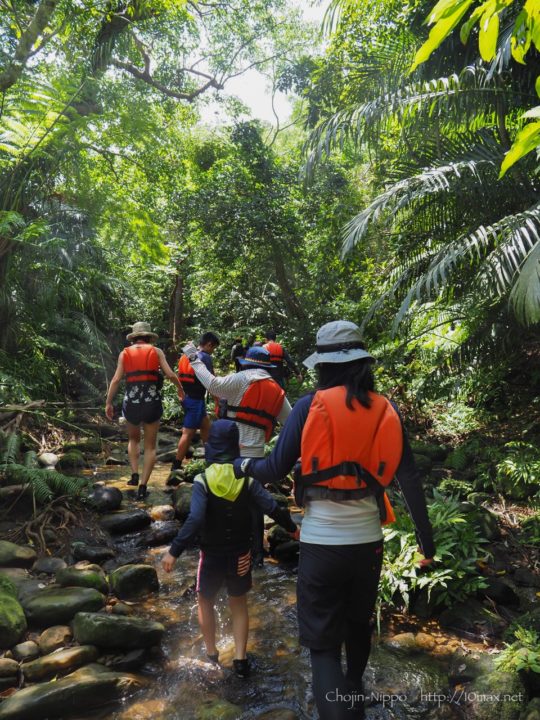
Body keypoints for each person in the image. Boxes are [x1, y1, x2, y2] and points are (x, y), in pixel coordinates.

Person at [234, 321, 435, 719]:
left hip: (322, 545)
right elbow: (409, 480)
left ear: (324, 365)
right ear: (363, 363)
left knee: (324, 647)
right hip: (368, 546)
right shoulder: (386, 408)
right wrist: (427, 546)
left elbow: (273, 468)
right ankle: (354, 697)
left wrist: (242, 465)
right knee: (358, 626)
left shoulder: (310, 406)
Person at [161, 419, 299, 678]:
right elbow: (271, 506)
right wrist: (291, 527)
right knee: (239, 603)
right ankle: (240, 659)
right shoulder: (247, 479)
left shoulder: (203, 480)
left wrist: (175, 550)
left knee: (205, 600)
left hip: (211, 555)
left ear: (210, 445)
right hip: (241, 554)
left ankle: (212, 655)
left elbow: (196, 518)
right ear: (237, 446)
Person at [181, 342, 292, 565]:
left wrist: (194, 359)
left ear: (246, 363)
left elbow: (212, 385)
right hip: (257, 456)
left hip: (230, 455)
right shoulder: (277, 391)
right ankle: (257, 555)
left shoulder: (241, 379)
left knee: (222, 499)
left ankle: (222, 549)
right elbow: (290, 423)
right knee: (254, 505)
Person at [105, 322, 185, 500]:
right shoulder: (156, 352)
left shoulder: (124, 353)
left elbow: (116, 379)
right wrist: (180, 389)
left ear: (133, 338)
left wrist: (108, 403)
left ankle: (134, 475)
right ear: (149, 337)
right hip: (151, 403)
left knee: (133, 440)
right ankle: (143, 486)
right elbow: (170, 375)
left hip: (131, 403)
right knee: (150, 447)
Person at [167, 331, 220, 485]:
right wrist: (218, 401)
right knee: (188, 433)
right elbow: (212, 382)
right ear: (209, 344)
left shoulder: (187, 356)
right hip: (195, 400)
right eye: (213, 348)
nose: (212, 351)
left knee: (205, 425)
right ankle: (175, 466)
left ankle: (211, 458)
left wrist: (180, 391)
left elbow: (178, 375)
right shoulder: (205, 358)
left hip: (187, 398)